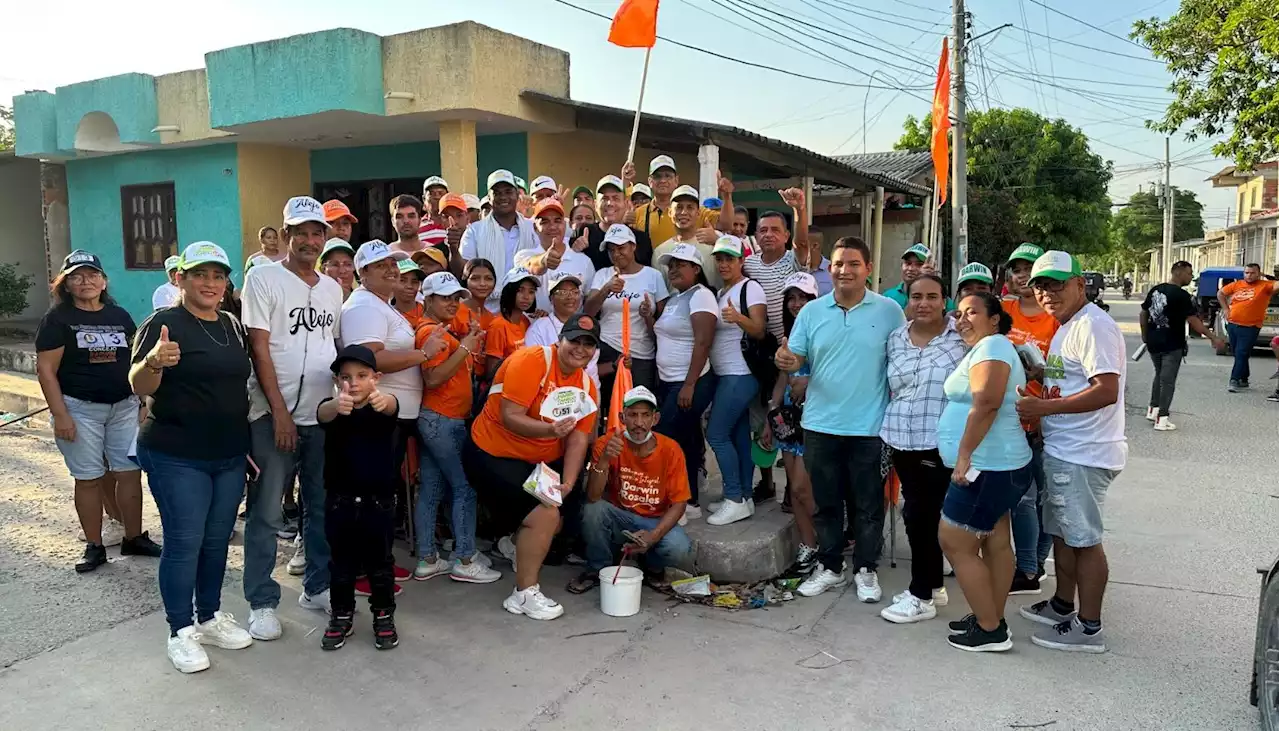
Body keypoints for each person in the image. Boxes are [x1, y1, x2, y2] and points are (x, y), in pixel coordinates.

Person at [129, 241, 252, 673]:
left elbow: (237, 387)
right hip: (176, 454)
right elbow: (139, 385)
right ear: (179, 278)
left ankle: (210, 616)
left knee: (217, 541)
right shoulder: (163, 323)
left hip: (229, 454)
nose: (210, 283)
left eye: (218, 275)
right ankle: (179, 631)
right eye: (200, 274)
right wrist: (154, 361)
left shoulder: (233, 325)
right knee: (185, 542)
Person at [776, 237, 905, 600]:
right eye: (837, 264)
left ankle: (866, 569)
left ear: (868, 269)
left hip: (869, 427)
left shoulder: (889, 311)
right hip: (819, 425)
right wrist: (786, 361)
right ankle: (830, 566)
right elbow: (795, 358)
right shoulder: (811, 312)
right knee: (825, 502)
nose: (844, 270)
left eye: (852, 264)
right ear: (828, 269)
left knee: (867, 505)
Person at [240, 196, 344, 639]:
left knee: (320, 505)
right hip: (271, 413)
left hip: (320, 414)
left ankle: (317, 586)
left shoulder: (333, 288)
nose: (308, 239)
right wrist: (278, 411)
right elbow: (259, 347)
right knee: (266, 510)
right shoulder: (262, 278)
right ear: (284, 236)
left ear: (325, 238)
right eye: (299, 232)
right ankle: (262, 601)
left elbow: (332, 349)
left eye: (316, 232)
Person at [1016, 250, 1126, 654]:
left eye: (1056, 284)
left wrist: (1044, 408)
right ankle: (1063, 604)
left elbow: (1106, 389)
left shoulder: (1093, 326)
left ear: (1081, 284)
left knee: (1084, 539)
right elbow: (1074, 378)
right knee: (1062, 532)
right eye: (1040, 286)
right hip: (1065, 448)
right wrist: (1041, 375)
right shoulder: (1067, 326)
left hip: (1085, 452)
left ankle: (1089, 626)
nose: (1047, 294)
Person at [465, 315, 602, 620]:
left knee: (559, 510)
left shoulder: (585, 385)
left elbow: (579, 438)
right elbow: (510, 415)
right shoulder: (530, 361)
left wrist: (567, 482)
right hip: (492, 451)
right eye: (574, 341)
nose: (580, 349)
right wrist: (550, 431)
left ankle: (513, 544)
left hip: (538, 458)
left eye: (588, 345)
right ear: (559, 341)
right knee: (546, 512)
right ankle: (523, 595)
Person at [35, 249, 161, 573]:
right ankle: (95, 547)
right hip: (79, 409)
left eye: (93, 275)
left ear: (104, 281)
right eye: (77, 276)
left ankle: (134, 536)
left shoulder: (118, 316)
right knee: (88, 478)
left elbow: (136, 360)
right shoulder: (57, 319)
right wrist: (60, 414)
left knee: (130, 472)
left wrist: (142, 402)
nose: (86, 281)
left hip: (123, 406)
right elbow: (46, 370)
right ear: (66, 284)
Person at [934, 292, 1033, 651]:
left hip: (987, 466)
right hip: (997, 464)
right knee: (994, 541)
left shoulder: (992, 346)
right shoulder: (991, 347)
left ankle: (990, 629)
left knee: (955, 542)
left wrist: (963, 456)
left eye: (971, 312)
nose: (961, 319)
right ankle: (993, 615)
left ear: (995, 318)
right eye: (958, 314)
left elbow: (987, 403)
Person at [877, 273, 966, 623]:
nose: (924, 303)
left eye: (932, 296)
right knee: (918, 515)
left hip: (938, 442)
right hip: (901, 439)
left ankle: (921, 595)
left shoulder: (961, 338)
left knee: (922, 517)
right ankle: (933, 585)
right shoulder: (896, 338)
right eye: (916, 297)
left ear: (944, 300)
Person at [412, 272, 500, 583]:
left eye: (455, 297)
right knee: (464, 488)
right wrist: (464, 348)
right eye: (445, 297)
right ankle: (464, 558)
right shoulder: (429, 334)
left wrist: (465, 342)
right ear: (429, 299)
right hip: (442, 420)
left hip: (438, 419)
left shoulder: (439, 330)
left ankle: (427, 559)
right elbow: (433, 378)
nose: (453, 303)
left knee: (433, 490)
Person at [316, 345, 402, 651]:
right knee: (341, 564)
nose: (354, 383)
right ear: (338, 381)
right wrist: (335, 405)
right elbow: (322, 413)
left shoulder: (383, 407)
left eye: (362, 376)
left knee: (381, 564)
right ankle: (341, 614)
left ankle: (383, 615)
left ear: (376, 378)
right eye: (346, 377)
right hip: (340, 501)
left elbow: (393, 407)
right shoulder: (334, 408)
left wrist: (386, 399)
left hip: (377, 502)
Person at [567, 386, 693, 594]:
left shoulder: (671, 449)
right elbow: (593, 496)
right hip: (620, 517)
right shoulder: (606, 444)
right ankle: (598, 569)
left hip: (654, 520)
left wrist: (654, 535)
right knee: (592, 511)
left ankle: (651, 566)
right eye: (633, 415)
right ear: (621, 417)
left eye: (645, 415)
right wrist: (606, 459)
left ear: (656, 419)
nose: (639, 422)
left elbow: (680, 503)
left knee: (679, 548)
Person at [736, 186, 815, 504]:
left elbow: (803, 242)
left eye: (775, 230)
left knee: (793, 417)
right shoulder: (750, 265)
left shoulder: (794, 264)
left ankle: (792, 488)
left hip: (794, 349)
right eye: (763, 230)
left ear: (785, 235)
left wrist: (800, 210)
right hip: (761, 350)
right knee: (764, 417)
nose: (768, 235)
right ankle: (766, 481)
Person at [1001, 243, 1059, 596]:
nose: (1023, 275)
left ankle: (1034, 565)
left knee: (1044, 497)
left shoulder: (1057, 316)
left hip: (1044, 419)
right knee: (1022, 497)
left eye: (1029, 269)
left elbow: (1070, 367)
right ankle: (1027, 566)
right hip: (1007, 418)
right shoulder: (1003, 309)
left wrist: (1042, 370)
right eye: (1017, 269)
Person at [703, 235, 767, 526]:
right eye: (720, 258)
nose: (724, 263)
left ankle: (734, 499)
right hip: (727, 374)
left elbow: (759, 330)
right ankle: (744, 496)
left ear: (742, 260)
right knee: (738, 436)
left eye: (730, 258)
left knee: (716, 434)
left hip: (740, 375)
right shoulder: (720, 292)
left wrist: (737, 318)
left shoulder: (750, 288)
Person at [762, 272, 824, 573]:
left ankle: (824, 544)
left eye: (803, 298)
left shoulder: (824, 329)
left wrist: (809, 382)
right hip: (788, 419)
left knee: (803, 488)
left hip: (815, 417)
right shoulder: (789, 333)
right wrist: (770, 416)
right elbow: (782, 379)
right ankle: (808, 547)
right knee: (794, 488)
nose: (796, 304)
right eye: (792, 298)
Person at [652, 243, 718, 522]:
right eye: (671, 265)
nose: (673, 269)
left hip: (690, 380)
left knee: (668, 435)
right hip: (669, 380)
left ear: (696, 269)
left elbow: (703, 341)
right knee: (686, 438)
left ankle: (680, 500)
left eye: (680, 264)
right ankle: (688, 500)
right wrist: (647, 317)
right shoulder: (676, 298)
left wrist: (689, 385)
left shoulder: (701, 296)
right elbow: (664, 335)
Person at [586, 224, 669, 412]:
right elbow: (588, 312)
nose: (616, 254)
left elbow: (664, 321)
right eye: (611, 250)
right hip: (607, 348)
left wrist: (649, 315)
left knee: (640, 410)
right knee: (607, 408)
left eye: (621, 248)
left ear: (633, 246)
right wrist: (606, 289)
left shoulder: (652, 275)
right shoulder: (603, 275)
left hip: (641, 353)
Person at [1141, 261, 1222, 430]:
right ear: (1178, 273)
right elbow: (1193, 321)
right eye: (1189, 273)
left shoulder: (1156, 289)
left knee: (1159, 375)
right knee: (1168, 380)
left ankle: (1153, 409)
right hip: (1171, 342)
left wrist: (1145, 335)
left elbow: (1144, 312)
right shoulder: (1182, 296)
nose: (1191, 277)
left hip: (1154, 341)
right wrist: (1213, 337)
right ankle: (1162, 419)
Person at [459, 170, 540, 302]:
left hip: (524, 308)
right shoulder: (475, 230)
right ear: (489, 198)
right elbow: (465, 269)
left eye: (508, 192)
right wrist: (452, 248)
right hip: (487, 307)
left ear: (517, 196)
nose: (503, 197)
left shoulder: (532, 228)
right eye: (497, 193)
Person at [516, 197, 597, 314]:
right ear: (535, 227)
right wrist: (544, 260)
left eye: (557, 220)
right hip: (534, 329)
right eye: (545, 221)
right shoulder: (523, 256)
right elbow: (530, 264)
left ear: (564, 224)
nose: (552, 226)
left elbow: (589, 302)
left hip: (572, 331)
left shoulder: (583, 261)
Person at [527, 270, 600, 388]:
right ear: (551, 298)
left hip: (584, 392)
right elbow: (533, 366)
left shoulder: (588, 325)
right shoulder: (538, 329)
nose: (570, 296)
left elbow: (591, 370)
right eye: (562, 292)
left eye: (574, 292)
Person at [626, 155, 718, 246]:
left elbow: (727, 224)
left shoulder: (694, 212)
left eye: (668, 176)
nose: (663, 180)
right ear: (650, 181)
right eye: (658, 176)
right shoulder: (638, 213)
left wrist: (727, 195)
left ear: (676, 180)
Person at [1217, 262, 1277, 392]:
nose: (1249, 276)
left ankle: (1234, 379)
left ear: (1258, 274)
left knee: (1241, 352)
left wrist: (1268, 276)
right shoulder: (1237, 284)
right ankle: (1244, 378)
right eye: (1246, 273)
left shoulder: (1265, 286)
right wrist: (1226, 309)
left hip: (1251, 326)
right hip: (1233, 324)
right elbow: (1220, 293)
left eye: (1252, 273)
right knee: (1238, 353)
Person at [572, 175, 653, 270]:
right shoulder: (582, 233)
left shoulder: (641, 239)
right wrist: (574, 252)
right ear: (595, 204)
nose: (610, 203)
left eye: (616, 198)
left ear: (626, 203)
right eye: (605, 198)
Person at [650, 184, 722, 290]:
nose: (684, 212)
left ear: (698, 213)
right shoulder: (660, 252)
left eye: (690, 207)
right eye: (679, 207)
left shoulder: (713, 242)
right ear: (670, 212)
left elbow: (739, 261)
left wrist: (718, 241)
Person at [487, 267, 540, 373]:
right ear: (508, 291)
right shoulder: (498, 325)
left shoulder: (525, 321)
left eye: (531, 292)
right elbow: (491, 371)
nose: (526, 297)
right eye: (520, 290)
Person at [883, 244, 931, 308]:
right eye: (908, 263)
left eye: (919, 264)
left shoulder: (940, 299)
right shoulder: (888, 297)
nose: (911, 268)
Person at [418, 176, 450, 252]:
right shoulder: (417, 226)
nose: (437, 197)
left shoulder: (455, 223)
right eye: (432, 193)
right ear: (424, 199)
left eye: (440, 193)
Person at [393, 258, 426, 328]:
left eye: (414, 281)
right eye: (402, 280)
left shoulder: (429, 310)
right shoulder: (387, 315)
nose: (409, 286)